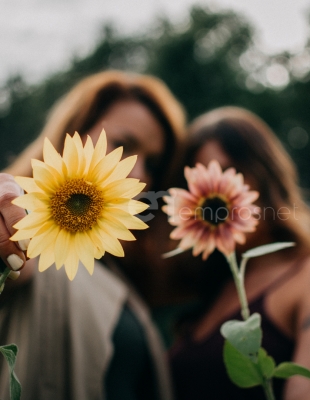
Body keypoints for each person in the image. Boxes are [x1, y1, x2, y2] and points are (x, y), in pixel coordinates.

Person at [0, 70, 187, 400]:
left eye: (153, 164)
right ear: (72, 134)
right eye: (123, 145)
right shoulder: (27, 232)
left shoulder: (117, 271)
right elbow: (19, 259)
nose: (140, 173)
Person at [168, 106, 310, 400]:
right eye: (194, 186)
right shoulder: (208, 298)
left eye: (230, 173)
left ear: (266, 176)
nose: (211, 195)